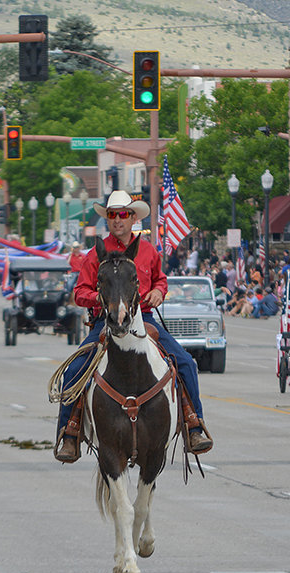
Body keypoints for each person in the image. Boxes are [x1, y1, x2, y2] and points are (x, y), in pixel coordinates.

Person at [53, 190, 212, 463]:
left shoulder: (149, 251)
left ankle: (193, 424)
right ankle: (70, 433)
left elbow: (161, 280)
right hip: (105, 322)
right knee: (74, 371)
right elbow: (80, 292)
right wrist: (101, 299)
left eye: (123, 215)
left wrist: (159, 292)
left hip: (144, 320)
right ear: (108, 219)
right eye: (113, 215)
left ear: (133, 218)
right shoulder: (96, 254)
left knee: (185, 363)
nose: (118, 220)